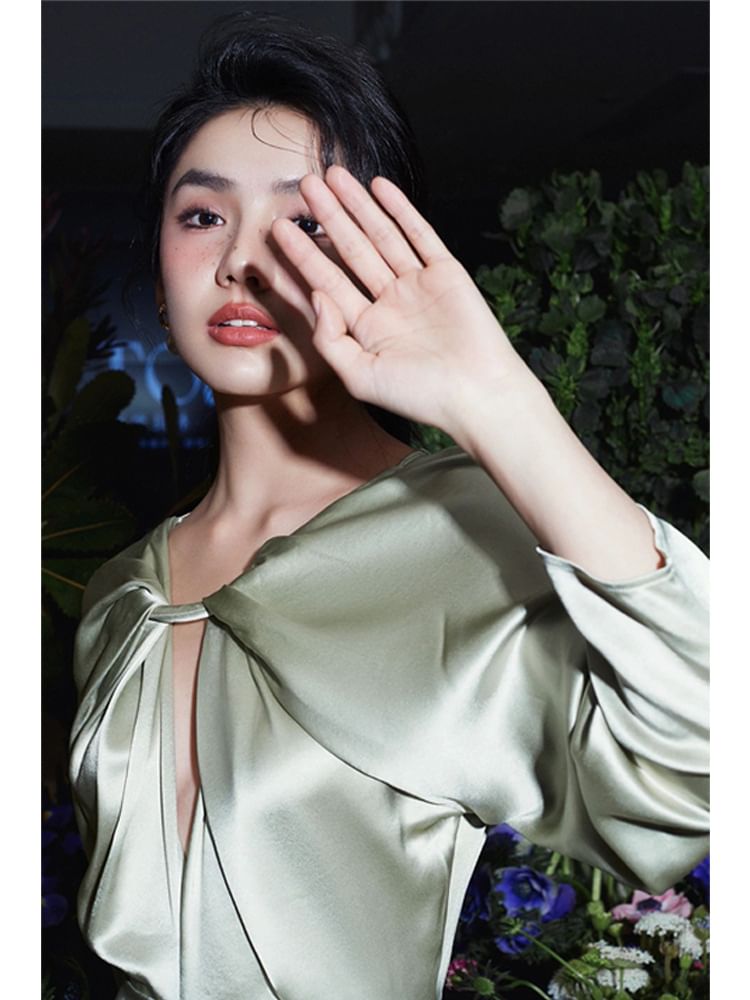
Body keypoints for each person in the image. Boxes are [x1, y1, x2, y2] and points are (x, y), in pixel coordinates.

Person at [69, 11, 709, 1000]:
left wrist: (498, 401)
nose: (243, 260)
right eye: (201, 215)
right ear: (158, 271)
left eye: (304, 222)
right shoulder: (123, 594)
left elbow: (708, 746)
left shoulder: (466, 536)